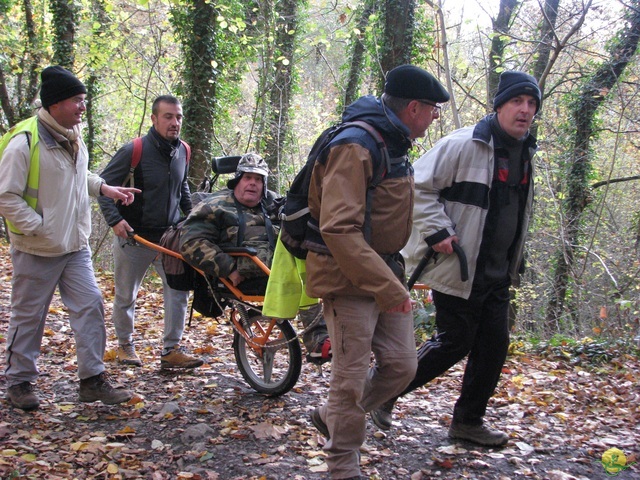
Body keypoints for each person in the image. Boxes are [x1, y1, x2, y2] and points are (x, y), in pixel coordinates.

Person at [371, 70, 541, 447]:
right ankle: (382, 391)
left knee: (493, 348)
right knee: (455, 341)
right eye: (517, 101)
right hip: (458, 266)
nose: (525, 111)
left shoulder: (526, 152)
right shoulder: (465, 144)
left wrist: (517, 258)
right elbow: (415, 185)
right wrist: (437, 230)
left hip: (498, 272)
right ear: (499, 106)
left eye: (531, 104)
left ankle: (467, 422)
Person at [305, 64, 450, 480]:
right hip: (345, 276)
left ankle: (330, 415)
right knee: (349, 380)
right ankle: (342, 466)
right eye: (433, 110)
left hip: (382, 269)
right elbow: (338, 228)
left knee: (403, 366)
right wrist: (389, 288)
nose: (435, 117)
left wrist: (390, 282)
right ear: (414, 108)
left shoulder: (394, 141)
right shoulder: (356, 146)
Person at [0, 65, 138, 410]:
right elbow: (6, 196)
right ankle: (19, 383)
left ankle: (92, 380)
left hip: (76, 246)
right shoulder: (24, 142)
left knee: (91, 306)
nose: (82, 107)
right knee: (29, 316)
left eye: (84, 100)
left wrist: (105, 188)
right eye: (77, 100)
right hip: (37, 247)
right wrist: (38, 226)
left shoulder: (72, 134)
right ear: (56, 103)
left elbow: (78, 177)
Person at [178, 153, 331, 363]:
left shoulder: (274, 203)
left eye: (258, 179)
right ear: (237, 180)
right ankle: (318, 340)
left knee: (319, 266)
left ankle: (338, 333)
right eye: (247, 177)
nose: (252, 183)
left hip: (280, 266)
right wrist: (227, 268)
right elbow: (190, 242)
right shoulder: (215, 205)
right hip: (246, 273)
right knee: (305, 277)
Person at [98, 95, 203, 370]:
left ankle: (172, 350)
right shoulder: (134, 150)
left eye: (178, 117)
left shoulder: (184, 151)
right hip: (133, 238)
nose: (174, 122)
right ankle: (125, 347)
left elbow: (183, 189)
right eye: (168, 116)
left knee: (178, 291)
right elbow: (103, 188)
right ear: (154, 118)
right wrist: (115, 222)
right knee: (125, 295)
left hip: (168, 239)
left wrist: (190, 220)